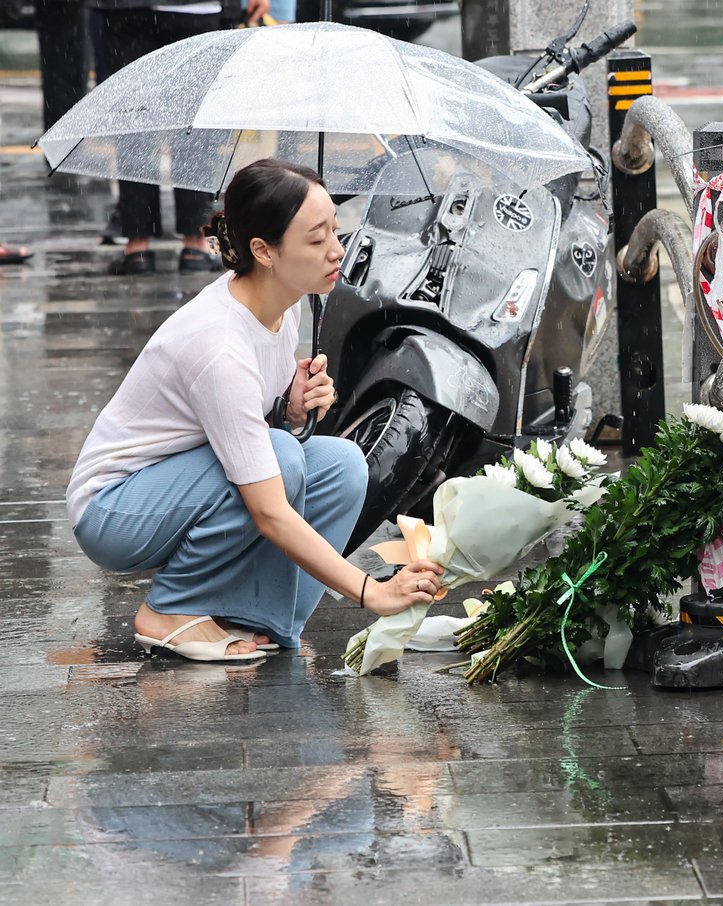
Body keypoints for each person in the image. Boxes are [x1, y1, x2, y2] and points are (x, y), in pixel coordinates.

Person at [66, 158, 442, 662]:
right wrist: (372, 593)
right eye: (316, 239)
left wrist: (291, 404)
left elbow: (245, 426)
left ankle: (261, 621)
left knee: (344, 465)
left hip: (180, 485)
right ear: (263, 251)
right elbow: (267, 510)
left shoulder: (280, 306)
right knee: (283, 458)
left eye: (336, 228)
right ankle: (169, 609)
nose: (337, 250)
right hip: (115, 510)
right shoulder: (219, 346)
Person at [89, 0, 269, 274]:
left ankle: (138, 246)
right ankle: (195, 243)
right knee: (194, 125)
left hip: (129, 9)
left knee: (134, 121)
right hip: (195, 9)